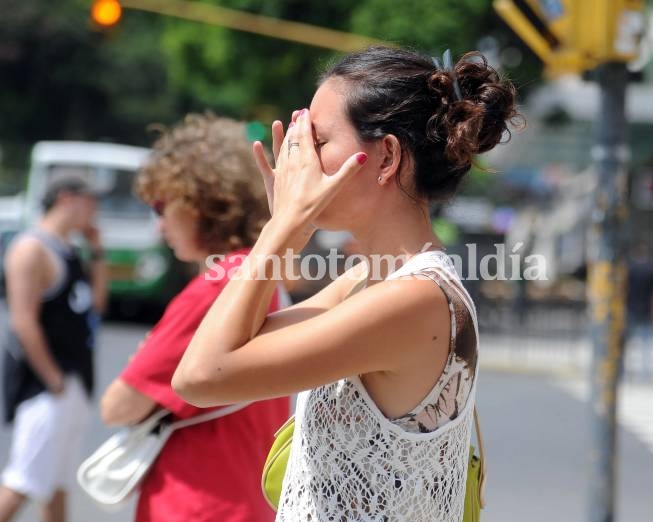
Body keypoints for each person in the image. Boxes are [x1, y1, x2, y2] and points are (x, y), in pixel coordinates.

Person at [172, 47, 518, 521]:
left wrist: (283, 228)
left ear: (386, 157)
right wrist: (288, 228)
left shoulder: (415, 299)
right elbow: (237, 346)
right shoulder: (369, 280)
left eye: (317, 141)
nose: (298, 160)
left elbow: (200, 377)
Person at [99, 114, 290, 522]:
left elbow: (118, 406)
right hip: (247, 496)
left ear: (197, 202)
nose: (159, 221)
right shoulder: (260, 275)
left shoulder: (215, 288)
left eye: (161, 204)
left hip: (195, 501)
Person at [0, 177, 107, 522]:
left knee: (56, 484)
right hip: (45, 386)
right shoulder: (31, 249)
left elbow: (97, 306)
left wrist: (98, 252)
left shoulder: (68, 248)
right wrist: (54, 380)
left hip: (73, 379)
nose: (95, 211)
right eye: (90, 201)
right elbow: (23, 321)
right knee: (23, 480)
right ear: (66, 198)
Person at [626, 242, 653, 383]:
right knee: (646, 345)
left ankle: (624, 373)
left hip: (630, 308)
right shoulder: (652, 269)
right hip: (647, 309)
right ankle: (645, 375)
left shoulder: (629, 268)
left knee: (626, 344)